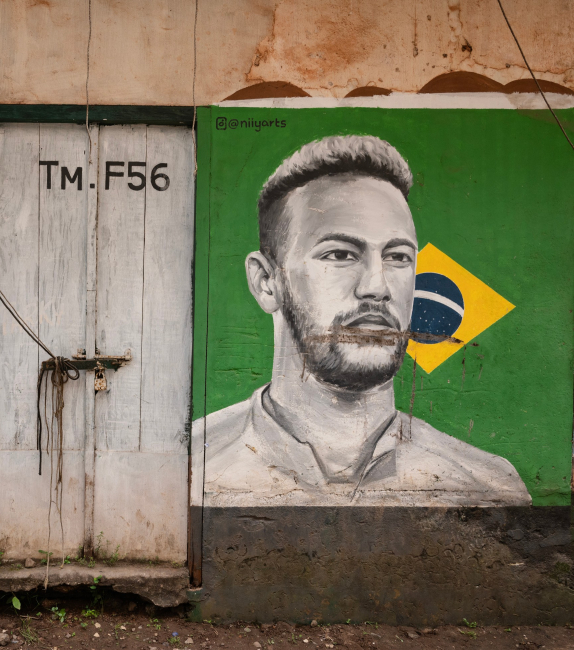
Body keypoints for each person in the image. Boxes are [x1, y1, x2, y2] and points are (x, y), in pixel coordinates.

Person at [197, 135, 530, 507]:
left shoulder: (489, 490)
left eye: (398, 257)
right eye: (340, 254)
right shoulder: (191, 469)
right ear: (266, 282)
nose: (377, 287)